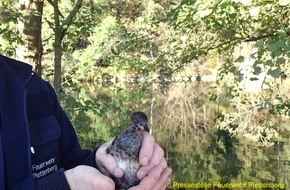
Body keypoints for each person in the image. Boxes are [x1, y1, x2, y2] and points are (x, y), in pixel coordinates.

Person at [0, 54, 172, 190]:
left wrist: (101, 164)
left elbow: (72, 164)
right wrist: (62, 186)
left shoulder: (32, 85)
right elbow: (67, 181)